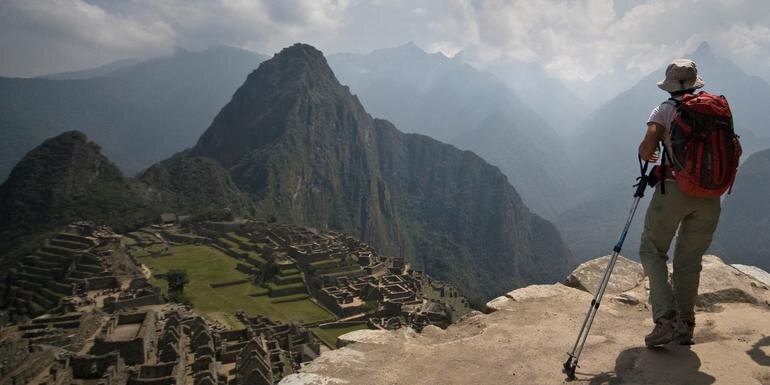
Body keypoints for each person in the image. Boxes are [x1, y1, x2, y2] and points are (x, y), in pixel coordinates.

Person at [637, 58, 740, 347]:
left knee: (652, 249)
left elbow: (647, 146)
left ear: (669, 85)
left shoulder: (665, 109)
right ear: (695, 84)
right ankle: (685, 325)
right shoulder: (716, 112)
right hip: (711, 196)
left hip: (674, 190)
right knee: (689, 260)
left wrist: (650, 152)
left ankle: (666, 319)